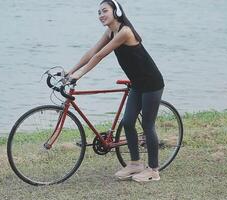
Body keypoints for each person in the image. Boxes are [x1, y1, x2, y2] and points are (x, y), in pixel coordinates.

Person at [66, 0, 164, 182]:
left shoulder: (125, 31)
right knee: (127, 122)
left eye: (105, 11)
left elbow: (100, 55)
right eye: (99, 12)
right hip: (137, 83)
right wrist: (70, 71)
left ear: (116, 12)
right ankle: (135, 164)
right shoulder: (110, 31)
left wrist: (79, 75)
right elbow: (92, 51)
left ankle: (153, 170)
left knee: (148, 125)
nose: (101, 15)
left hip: (152, 83)